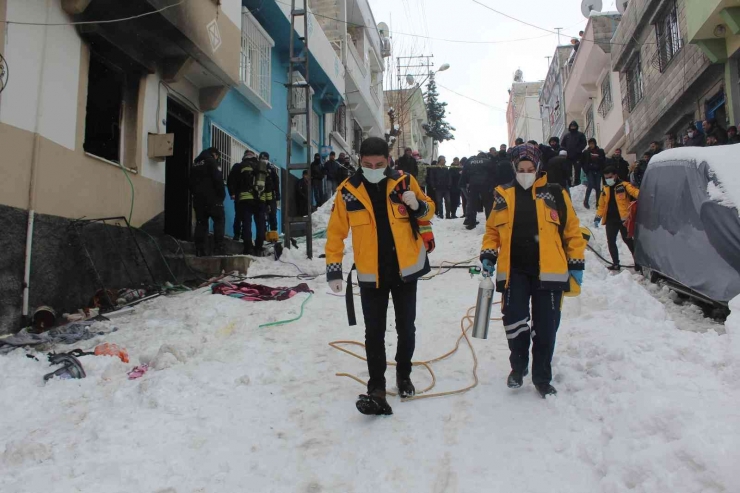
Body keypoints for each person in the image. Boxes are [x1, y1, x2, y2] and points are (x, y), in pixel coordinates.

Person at [325, 137, 436, 416]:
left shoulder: (404, 182)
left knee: (405, 327)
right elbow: (336, 233)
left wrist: (417, 205)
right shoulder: (348, 191)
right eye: (367, 164)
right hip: (370, 273)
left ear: (389, 160)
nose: (373, 168)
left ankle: (404, 375)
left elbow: (429, 209)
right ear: (359, 161)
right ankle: (376, 386)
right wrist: (333, 269)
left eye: (379, 163)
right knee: (373, 332)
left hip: (405, 270)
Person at [480, 143, 586, 398]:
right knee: (515, 323)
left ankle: (542, 377)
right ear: (514, 169)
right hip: (514, 271)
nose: (526, 173)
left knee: (546, 328)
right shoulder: (503, 194)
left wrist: (576, 263)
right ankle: (518, 368)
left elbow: (572, 231)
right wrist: (488, 253)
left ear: (538, 168)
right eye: (521, 169)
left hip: (549, 272)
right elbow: (493, 231)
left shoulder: (555, 193)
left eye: (530, 168)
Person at [594, 166, 639, 271]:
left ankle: (638, 262)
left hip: (623, 220)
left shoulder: (624, 186)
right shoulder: (605, 189)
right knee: (611, 241)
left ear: (615, 175)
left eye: (609, 177)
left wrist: (644, 195)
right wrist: (598, 217)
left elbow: (635, 192)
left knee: (628, 240)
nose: (608, 179)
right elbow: (601, 205)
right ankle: (615, 263)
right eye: (606, 178)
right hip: (610, 220)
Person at [227, 150, 269, 255]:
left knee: (247, 223)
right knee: (260, 224)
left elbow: (231, 181)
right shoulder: (261, 166)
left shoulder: (239, 166)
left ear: (244, 156)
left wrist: (233, 193)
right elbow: (269, 184)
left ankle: (248, 247)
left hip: (246, 199)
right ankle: (258, 248)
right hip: (260, 199)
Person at [190, 147, 226, 257]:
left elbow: (190, 182)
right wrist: (221, 195)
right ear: (214, 154)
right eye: (217, 157)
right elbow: (218, 179)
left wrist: (196, 194)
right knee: (219, 221)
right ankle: (218, 248)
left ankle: (199, 249)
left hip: (198, 200)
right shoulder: (212, 162)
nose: (217, 159)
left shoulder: (195, 164)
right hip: (213, 199)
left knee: (201, 223)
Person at [463, 151, 497, 229]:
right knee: (488, 205)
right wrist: (493, 185)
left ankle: (472, 223)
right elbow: (493, 173)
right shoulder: (488, 161)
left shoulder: (470, 161)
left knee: (472, 204)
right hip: (486, 185)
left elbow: (465, 172)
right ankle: (490, 223)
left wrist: (465, 183)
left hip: (473, 185)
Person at [581, 138, 606, 209]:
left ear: (595, 144)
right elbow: (582, 162)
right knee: (590, 185)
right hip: (590, 171)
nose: (591, 145)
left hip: (598, 170)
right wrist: (586, 169)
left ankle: (598, 203)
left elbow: (603, 160)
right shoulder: (586, 152)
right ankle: (586, 201)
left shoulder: (600, 151)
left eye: (592, 143)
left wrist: (597, 158)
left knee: (598, 187)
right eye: (590, 144)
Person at [560, 121, 587, 186]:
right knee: (568, 171)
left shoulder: (580, 134)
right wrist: (565, 151)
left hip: (577, 156)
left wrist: (578, 150)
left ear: (576, 127)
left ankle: (577, 183)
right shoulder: (567, 136)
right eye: (571, 126)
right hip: (568, 156)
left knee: (577, 170)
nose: (573, 127)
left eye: (574, 126)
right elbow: (562, 144)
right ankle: (569, 183)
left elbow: (584, 143)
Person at [261, 152, 280, 235]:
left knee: (262, 215)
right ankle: (272, 234)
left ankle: (263, 234)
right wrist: (277, 193)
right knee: (272, 214)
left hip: (260, 194)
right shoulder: (271, 167)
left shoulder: (257, 166)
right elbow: (276, 181)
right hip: (270, 195)